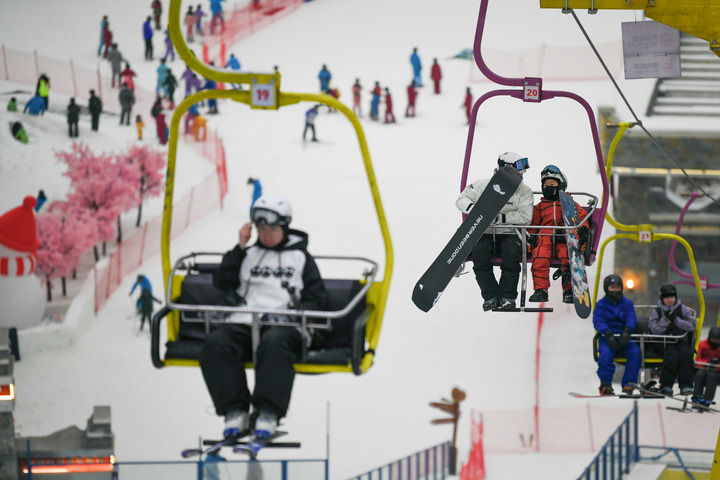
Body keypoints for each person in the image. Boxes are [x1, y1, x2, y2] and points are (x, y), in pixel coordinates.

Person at [199, 195, 327, 441]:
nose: (267, 234)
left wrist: (301, 315)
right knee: (216, 344)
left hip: (283, 323)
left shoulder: (300, 258)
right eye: (261, 229)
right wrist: (240, 247)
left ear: (285, 228)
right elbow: (222, 281)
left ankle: (268, 412)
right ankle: (235, 410)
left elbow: (316, 296)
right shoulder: (248, 255)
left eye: (273, 229)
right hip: (245, 319)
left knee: (274, 345)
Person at [455, 152, 534, 310]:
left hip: (511, 233)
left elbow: (525, 217)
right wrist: (473, 209)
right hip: (485, 232)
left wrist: (499, 219)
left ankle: (507, 297)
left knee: (511, 255)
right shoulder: (483, 185)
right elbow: (461, 199)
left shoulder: (524, 191)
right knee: (479, 254)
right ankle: (490, 296)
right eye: (519, 170)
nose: (522, 174)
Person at [528, 165, 587, 304]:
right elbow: (533, 225)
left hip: (563, 238)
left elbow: (581, 217)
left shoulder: (569, 203)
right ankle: (541, 290)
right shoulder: (540, 207)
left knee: (568, 256)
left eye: (552, 184)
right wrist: (530, 238)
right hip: (545, 237)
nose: (548, 186)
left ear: (560, 185)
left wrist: (583, 230)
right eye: (546, 184)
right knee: (539, 256)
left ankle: (569, 290)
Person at [593, 274, 640, 396]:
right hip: (608, 337)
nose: (615, 290)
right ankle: (606, 384)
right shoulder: (601, 305)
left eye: (617, 287)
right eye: (612, 287)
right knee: (605, 354)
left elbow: (631, 317)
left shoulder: (627, 304)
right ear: (606, 288)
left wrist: (627, 331)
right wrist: (607, 333)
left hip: (624, 336)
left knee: (635, 352)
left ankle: (629, 384)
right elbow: (598, 320)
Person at [647, 283, 696, 396]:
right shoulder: (658, 311)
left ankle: (686, 385)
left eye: (672, 297)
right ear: (662, 298)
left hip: (680, 339)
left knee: (686, 354)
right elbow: (654, 329)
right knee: (671, 356)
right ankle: (666, 385)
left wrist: (677, 320)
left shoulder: (682, 309)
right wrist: (666, 320)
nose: (670, 300)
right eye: (667, 297)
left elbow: (692, 325)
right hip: (665, 342)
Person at [693, 326, 720, 407]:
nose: (715, 342)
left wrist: (716, 365)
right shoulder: (702, 344)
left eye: (717, 340)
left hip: (716, 371)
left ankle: (707, 399)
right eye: (713, 340)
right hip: (703, 368)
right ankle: (697, 397)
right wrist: (707, 362)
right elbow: (697, 360)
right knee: (699, 375)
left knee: (712, 376)